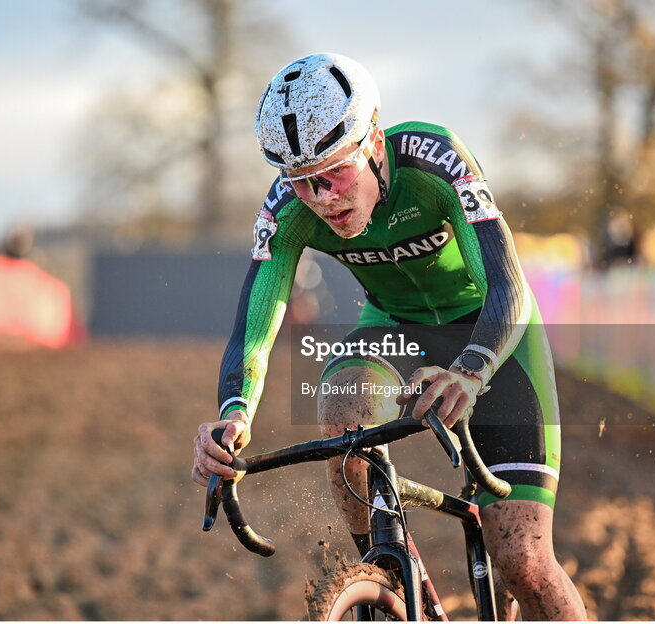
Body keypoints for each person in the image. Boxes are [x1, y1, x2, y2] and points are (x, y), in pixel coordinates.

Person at [191, 53, 586, 620]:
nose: (322, 197)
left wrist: (472, 370)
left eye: (333, 172)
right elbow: (255, 326)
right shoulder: (287, 212)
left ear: (374, 142)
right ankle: (397, 583)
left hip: (491, 331)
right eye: (300, 183)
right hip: (395, 330)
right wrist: (233, 414)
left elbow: (509, 285)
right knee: (340, 406)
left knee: (522, 558)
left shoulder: (434, 160)